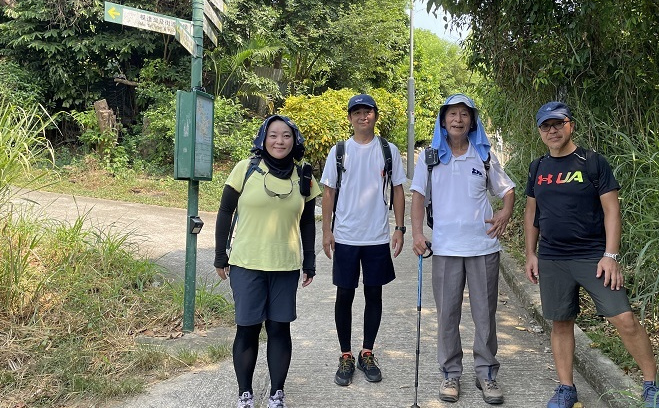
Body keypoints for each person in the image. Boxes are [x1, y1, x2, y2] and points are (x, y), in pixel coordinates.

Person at [523, 101, 659, 408]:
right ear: (539, 131)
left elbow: (612, 210)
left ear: (570, 125)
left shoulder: (591, 162)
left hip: (593, 256)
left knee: (624, 318)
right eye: (545, 126)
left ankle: (652, 386)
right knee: (560, 322)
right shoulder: (537, 167)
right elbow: (531, 213)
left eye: (558, 124)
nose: (552, 130)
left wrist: (611, 255)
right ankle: (566, 388)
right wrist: (530, 254)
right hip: (552, 258)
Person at [410, 93, 515, 405]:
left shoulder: (483, 155)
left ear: (472, 122)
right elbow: (418, 196)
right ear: (443, 121)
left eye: (464, 114)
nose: (458, 119)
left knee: (485, 314)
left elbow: (507, 189)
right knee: (447, 315)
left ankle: (486, 373)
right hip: (445, 248)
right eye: (452, 114)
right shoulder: (430, 157)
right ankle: (450, 373)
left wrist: (505, 213)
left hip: (483, 246)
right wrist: (417, 233)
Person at [214, 115, 322, 408]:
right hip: (246, 264)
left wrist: (309, 261)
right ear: (263, 138)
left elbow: (307, 223)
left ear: (294, 140)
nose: (279, 141)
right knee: (247, 328)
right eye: (273, 135)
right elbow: (225, 211)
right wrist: (220, 255)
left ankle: (276, 393)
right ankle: (245, 394)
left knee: (279, 329)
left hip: (285, 265)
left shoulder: (304, 177)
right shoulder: (245, 169)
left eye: (286, 135)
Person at [320, 93, 407, 386]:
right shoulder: (339, 151)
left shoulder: (388, 150)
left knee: (374, 294)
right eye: (356, 112)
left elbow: (397, 189)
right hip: (345, 235)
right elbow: (328, 191)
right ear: (350, 118)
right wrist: (327, 231)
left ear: (375, 116)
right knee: (344, 295)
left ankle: (366, 352)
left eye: (367, 111)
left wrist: (400, 228)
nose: (362, 116)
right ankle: (345, 355)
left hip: (377, 236)